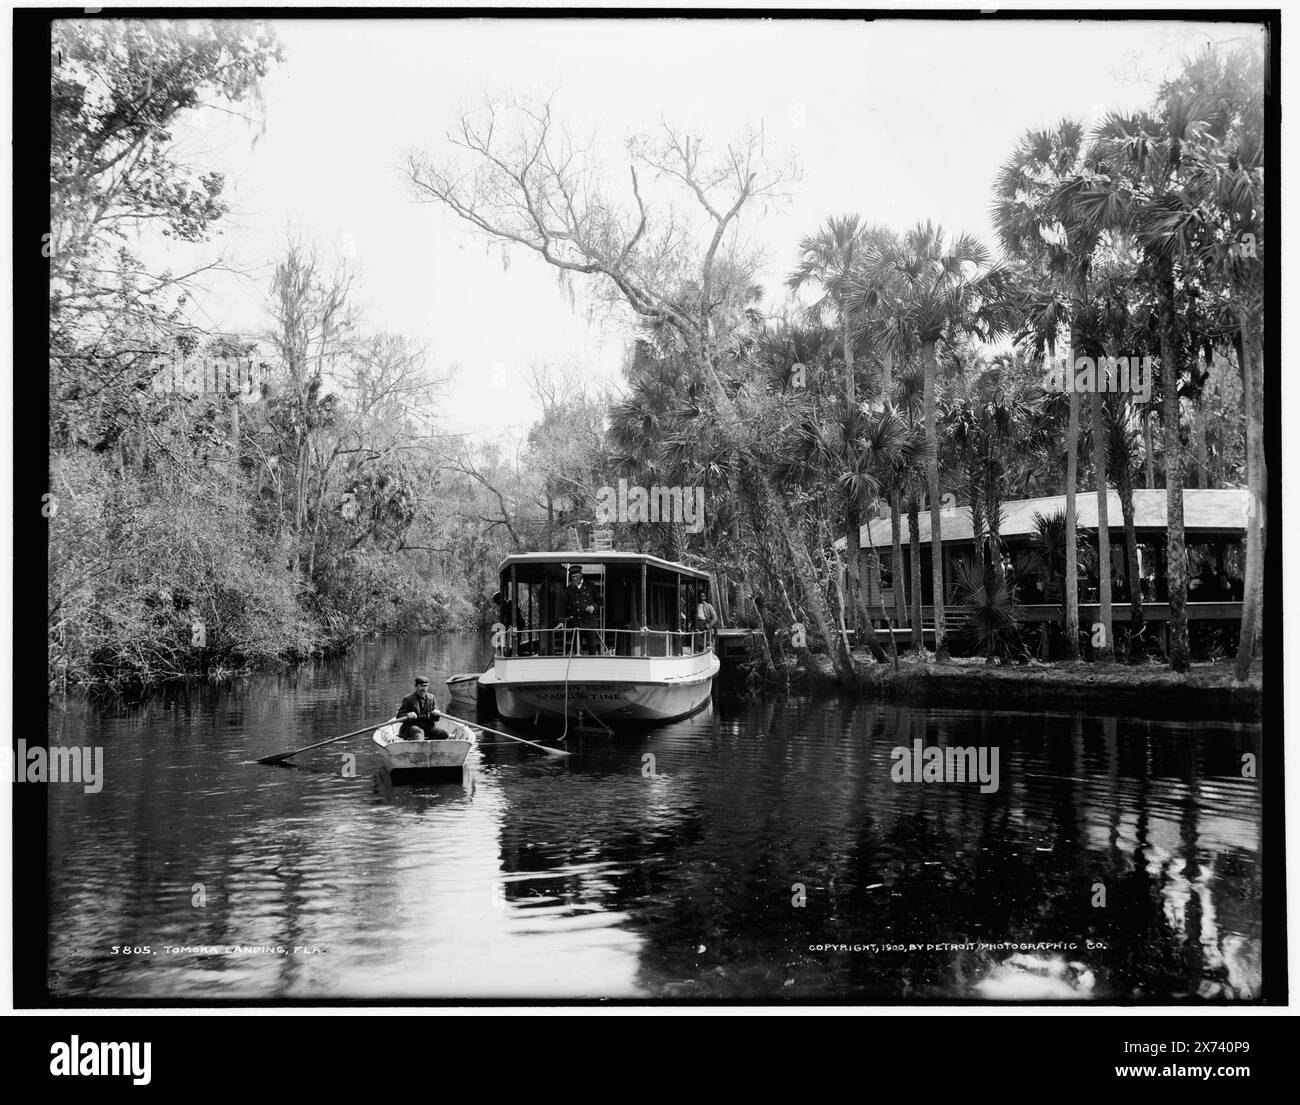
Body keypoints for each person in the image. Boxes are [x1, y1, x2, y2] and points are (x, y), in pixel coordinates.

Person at [562, 565, 604, 654]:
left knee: (592, 646)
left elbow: (600, 600)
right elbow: (564, 606)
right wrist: (561, 620)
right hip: (576, 622)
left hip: (589, 622)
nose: (574, 578)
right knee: (576, 648)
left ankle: (593, 665)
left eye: (576, 576)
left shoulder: (591, 586)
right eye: (572, 577)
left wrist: (593, 607)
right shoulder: (569, 589)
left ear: (581, 574)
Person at [395, 676, 448, 740]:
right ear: (416, 686)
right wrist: (407, 715)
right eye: (421, 686)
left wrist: (437, 714)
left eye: (425, 686)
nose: (424, 688)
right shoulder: (407, 699)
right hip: (411, 727)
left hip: (427, 727)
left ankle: (426, 744)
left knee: (444, 734)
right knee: (419, 732)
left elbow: (435, 719)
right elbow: (398, 717)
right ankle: (420, 744)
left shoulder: (432, 698)